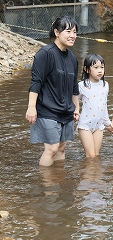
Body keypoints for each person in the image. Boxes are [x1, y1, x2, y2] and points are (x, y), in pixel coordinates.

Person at [25, 15, 80, 167]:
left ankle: (59, 182)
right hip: (47, 109)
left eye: (75, 32)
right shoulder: (45, 53)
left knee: (62, 148)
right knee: (52, 149)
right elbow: (36, 82)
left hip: (66, 109)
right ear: (56, 32)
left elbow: (74, 86)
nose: (72, 35)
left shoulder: (73, 58)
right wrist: (31, 107)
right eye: (68, 31)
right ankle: (47, 186)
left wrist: (76, 107)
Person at [77, 54, 113, 158]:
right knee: (91, 156)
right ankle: (87, 174)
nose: (100, 70)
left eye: (102, 67)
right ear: (86, 69)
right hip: (85, 125)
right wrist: (75, 112)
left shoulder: (105, 85)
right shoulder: (81, 85)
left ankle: (95, 174)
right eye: (96, 67)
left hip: (99, 125)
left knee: (96, 156)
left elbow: (104, 106)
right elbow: (73, 101)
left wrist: (108, 123)